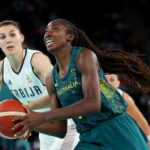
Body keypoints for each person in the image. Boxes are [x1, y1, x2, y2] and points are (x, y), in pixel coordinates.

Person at [13, 19, 150, 150]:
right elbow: (60, 130)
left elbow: (93, 104)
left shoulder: (84, 56)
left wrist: (42, 117)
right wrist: (29, 123)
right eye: (46, 31)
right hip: (89, 137)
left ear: (70, 36)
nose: (47, 33)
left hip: (117, 130)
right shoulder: (51, 78)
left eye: (55, 29)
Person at [0, 20, 66, 150]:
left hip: (66, 121)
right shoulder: (2, 67)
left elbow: (60, 94)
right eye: (2, 37)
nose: (8, 40)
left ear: (21, 38)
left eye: (12, 35)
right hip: (45, 127)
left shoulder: (36, 60)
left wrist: (25, 110)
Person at [105, 73, 150, 148]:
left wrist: (148, 138)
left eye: (112, 80)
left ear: (118, 83)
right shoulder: (88, 98)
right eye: (104, 80)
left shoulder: (124, 97)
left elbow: (139, 119)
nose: (108, 83)